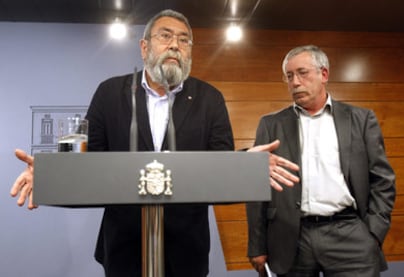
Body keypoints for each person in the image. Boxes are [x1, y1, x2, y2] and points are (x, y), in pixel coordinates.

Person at [10, 9, 299, 277]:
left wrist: (248, 163)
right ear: (144, 47)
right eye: (166, 35)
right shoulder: (110, 92)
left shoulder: (210, 98)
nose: (175, 44)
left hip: (186, 247)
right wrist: (51, 173)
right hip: (124, 245)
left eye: (184, 40)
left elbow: (218, 168)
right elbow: (88, 164)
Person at [246, 45, 396, 277]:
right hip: (291, 239)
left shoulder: (361, 119)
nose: (295, 82)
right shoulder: (271, 124)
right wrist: (256, 245)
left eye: (302, 73)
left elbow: (383, 180)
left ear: (324, 74)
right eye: (289, 76)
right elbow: (256, 190)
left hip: (350, 234)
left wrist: (374, 232)